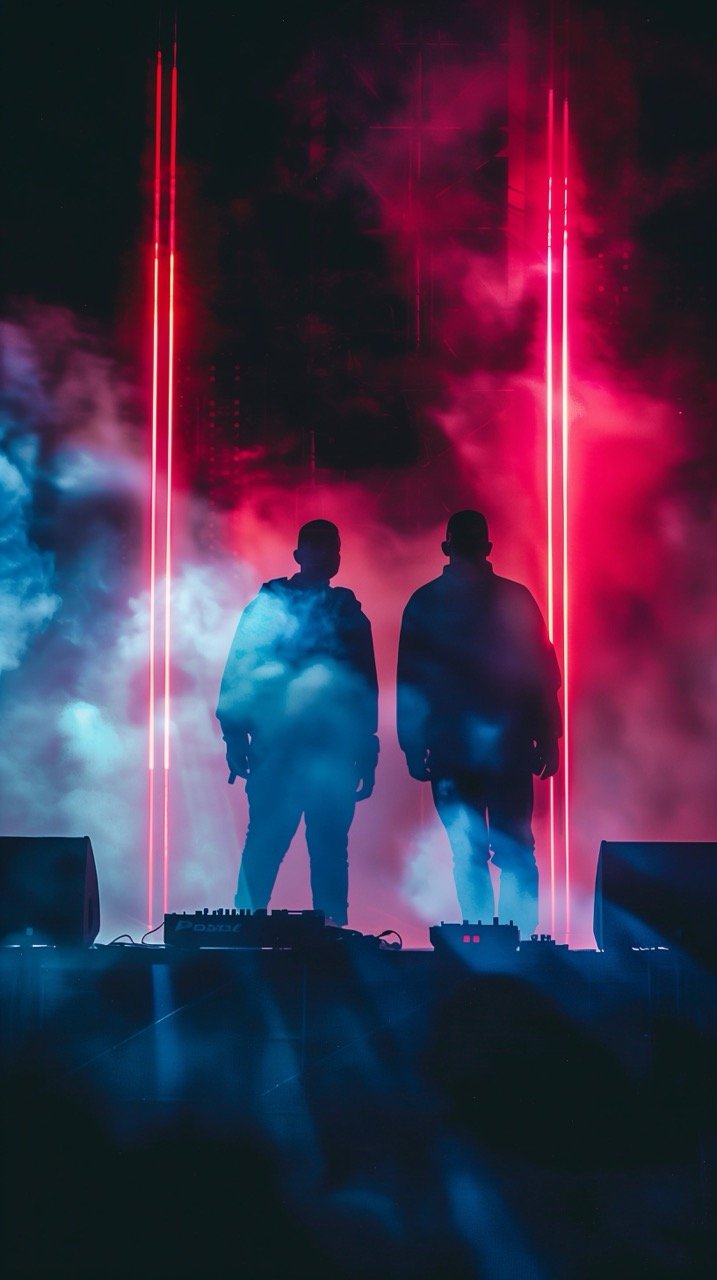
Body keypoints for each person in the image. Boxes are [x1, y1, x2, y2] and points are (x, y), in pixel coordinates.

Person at [397, 510, 561, 936]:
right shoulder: (514, 597)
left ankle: (483, 935)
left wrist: (412, 745)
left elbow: (409, 680)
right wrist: (548, 734)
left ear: (446, 547)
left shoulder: (425, 601)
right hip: (503, 745)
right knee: (513, 849)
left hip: (457, 746)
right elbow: (543, 672)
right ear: (487, 548)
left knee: (472, 851)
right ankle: (517, 938)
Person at [217, 519, 379, 926]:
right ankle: (264, 931)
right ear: (300, 555)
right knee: (287, 847)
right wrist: (234, 736)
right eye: (320, 547)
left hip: (311, 752)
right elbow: (239, 676)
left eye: (332, 548)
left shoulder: (339, 612)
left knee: (299, 847)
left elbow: (364, 689)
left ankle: (261, 932)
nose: (327, 555)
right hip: (292, 751)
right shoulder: (331, 612)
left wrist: (366, 749)